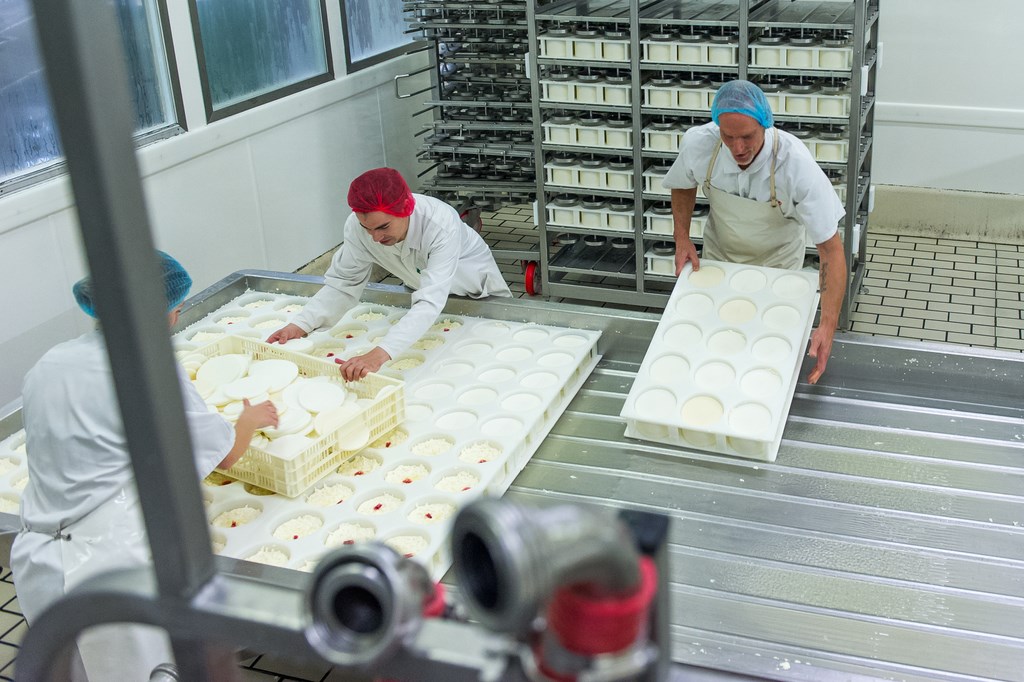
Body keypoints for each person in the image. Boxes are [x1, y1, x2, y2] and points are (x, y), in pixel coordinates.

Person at [11, 252, 279, 681]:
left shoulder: (51, 362)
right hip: (107, 562)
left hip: (37, 555)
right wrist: (248, 421)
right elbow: (223, 454)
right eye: (176, 309)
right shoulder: (147, 368)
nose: (175, 318)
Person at [663, 79, 847, 384]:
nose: (738, 148)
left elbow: (831, 249)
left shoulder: (794, 164)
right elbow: (683, 184)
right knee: (714, 347)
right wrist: (681, 237)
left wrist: (827, 326)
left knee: (765, 355)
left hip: (778, 268)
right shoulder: (700, 145)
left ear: (765, 125)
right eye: (728, 136)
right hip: (720, 262)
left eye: (747, 136)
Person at [267, 167, 512, 380]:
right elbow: (344, 283)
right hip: (424, 296)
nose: (375, 237)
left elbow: (430, 299)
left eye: (383, 227)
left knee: (490, 360)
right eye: (367, 228)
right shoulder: (358, 228)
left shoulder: (439, 223)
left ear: (406, 208)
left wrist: (380, 353)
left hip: (478, 294)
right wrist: (301, 324)